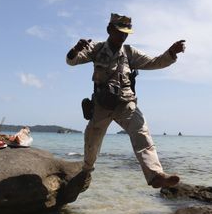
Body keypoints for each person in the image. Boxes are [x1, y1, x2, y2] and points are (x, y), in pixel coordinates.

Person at [66, 13, 186, 189]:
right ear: (109, 30)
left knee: (141, 133)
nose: (123, 35)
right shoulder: (96, 49)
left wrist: (171, 53)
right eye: (120, 31)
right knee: (92, 139)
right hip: (102, 104)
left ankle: (156, 175)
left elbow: (155, 62)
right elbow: (72, 60)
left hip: (126, 103)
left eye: (126, 32)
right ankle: (86, 170)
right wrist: (76, 49)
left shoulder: (130, 52)